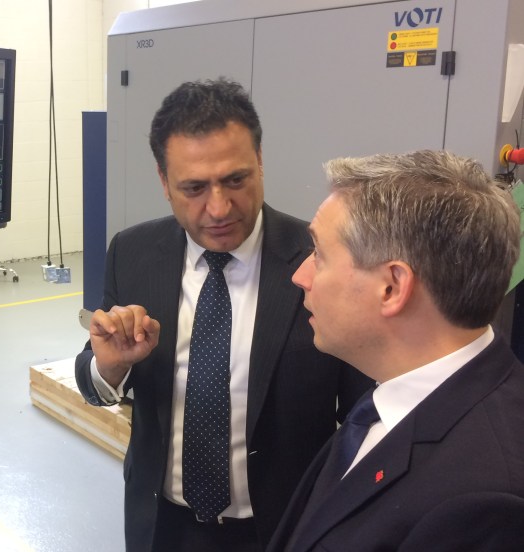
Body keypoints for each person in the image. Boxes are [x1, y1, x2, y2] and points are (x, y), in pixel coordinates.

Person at [74, 78, 371, 552]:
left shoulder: (322, 262)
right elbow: (94, 376)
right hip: (162, 526)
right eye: (194, 188)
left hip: (283, 530)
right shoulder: (132, 254)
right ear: (163, 182)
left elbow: (365, 412)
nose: (218, 208)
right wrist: (109, 366)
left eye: (235, 180)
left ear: (260, 162)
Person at [267, 150, 524, 551]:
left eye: (319, 255)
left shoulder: (485, 501)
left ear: (391, 287)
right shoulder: (396, 398)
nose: (300, 276)